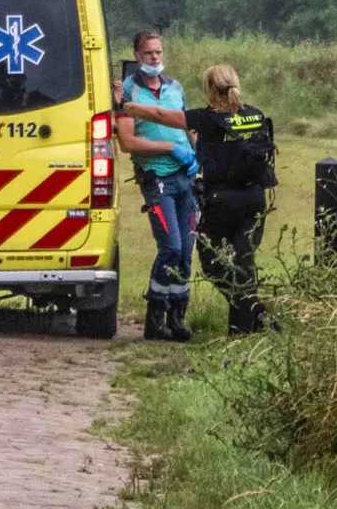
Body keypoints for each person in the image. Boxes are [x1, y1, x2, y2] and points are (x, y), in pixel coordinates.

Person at [119, 64, 278, 335]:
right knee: (244, 264)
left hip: (223, 202)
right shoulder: (256, 115)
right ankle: (246, 326)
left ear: (209, 89)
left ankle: (251, 315)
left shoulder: (207, 118)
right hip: (255, 200)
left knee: (212, 261)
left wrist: (127, 106)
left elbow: (160, 114)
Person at [112, 29, 199, 342]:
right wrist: (169, 148)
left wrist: (194, 151)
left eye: (159, 53)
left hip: (186, 178)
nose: (155, 58)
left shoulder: (175, 88)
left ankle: (178, 317)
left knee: (187, 250)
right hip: (157, 178)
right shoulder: (128, 93)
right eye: (149, 53)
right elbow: (127, 141)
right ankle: (155, 316)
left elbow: (188, 127)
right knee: (171, 246)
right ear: (138, 56)